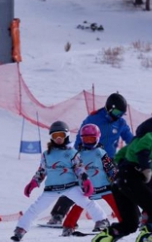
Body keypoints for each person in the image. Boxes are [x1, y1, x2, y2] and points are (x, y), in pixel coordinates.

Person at [88, 108, 152, 242]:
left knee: (130, 223)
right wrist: (145, 167)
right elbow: (143, 149)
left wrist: (123, 170)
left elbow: (120, 154)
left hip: (121, 182)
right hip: (132, 179)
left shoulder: (141, 137)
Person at [46, 93, 134, 226]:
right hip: (88, 157)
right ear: (109, 108)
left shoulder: (120, 122)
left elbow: (129, 139)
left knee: (116, 188)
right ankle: (57, 215)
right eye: (116, 112)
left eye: (121, 113)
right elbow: (80, 137)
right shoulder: (94, 118)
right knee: (78, 186)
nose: (119, 115)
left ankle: (127, 218)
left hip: (108, 160)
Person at [11, 121, 108, 242]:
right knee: (35, 209)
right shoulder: (47, 154)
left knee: (87, 202)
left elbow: (79, 169)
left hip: (70, 186)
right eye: (55, 136)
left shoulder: (71, 153)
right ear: (51, 137)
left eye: (61, 135)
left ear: (66, 136)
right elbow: (42, 170)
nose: (58, 138)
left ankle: (101, 220)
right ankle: (20, 229)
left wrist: (86, 181)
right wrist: (34, 183)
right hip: (52, 188)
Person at [61, 124, 120, 236]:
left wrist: (115, 177)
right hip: (87, 188)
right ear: (82, 139)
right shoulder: (79, 154)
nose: (88, 141)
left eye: (91, 139)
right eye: (86, 139)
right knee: (79, 206)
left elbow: (109, 166)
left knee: (116, 204)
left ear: (97, 138)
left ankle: (126, 223)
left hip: (103, 185)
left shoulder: (100, 152)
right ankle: (68, 226)